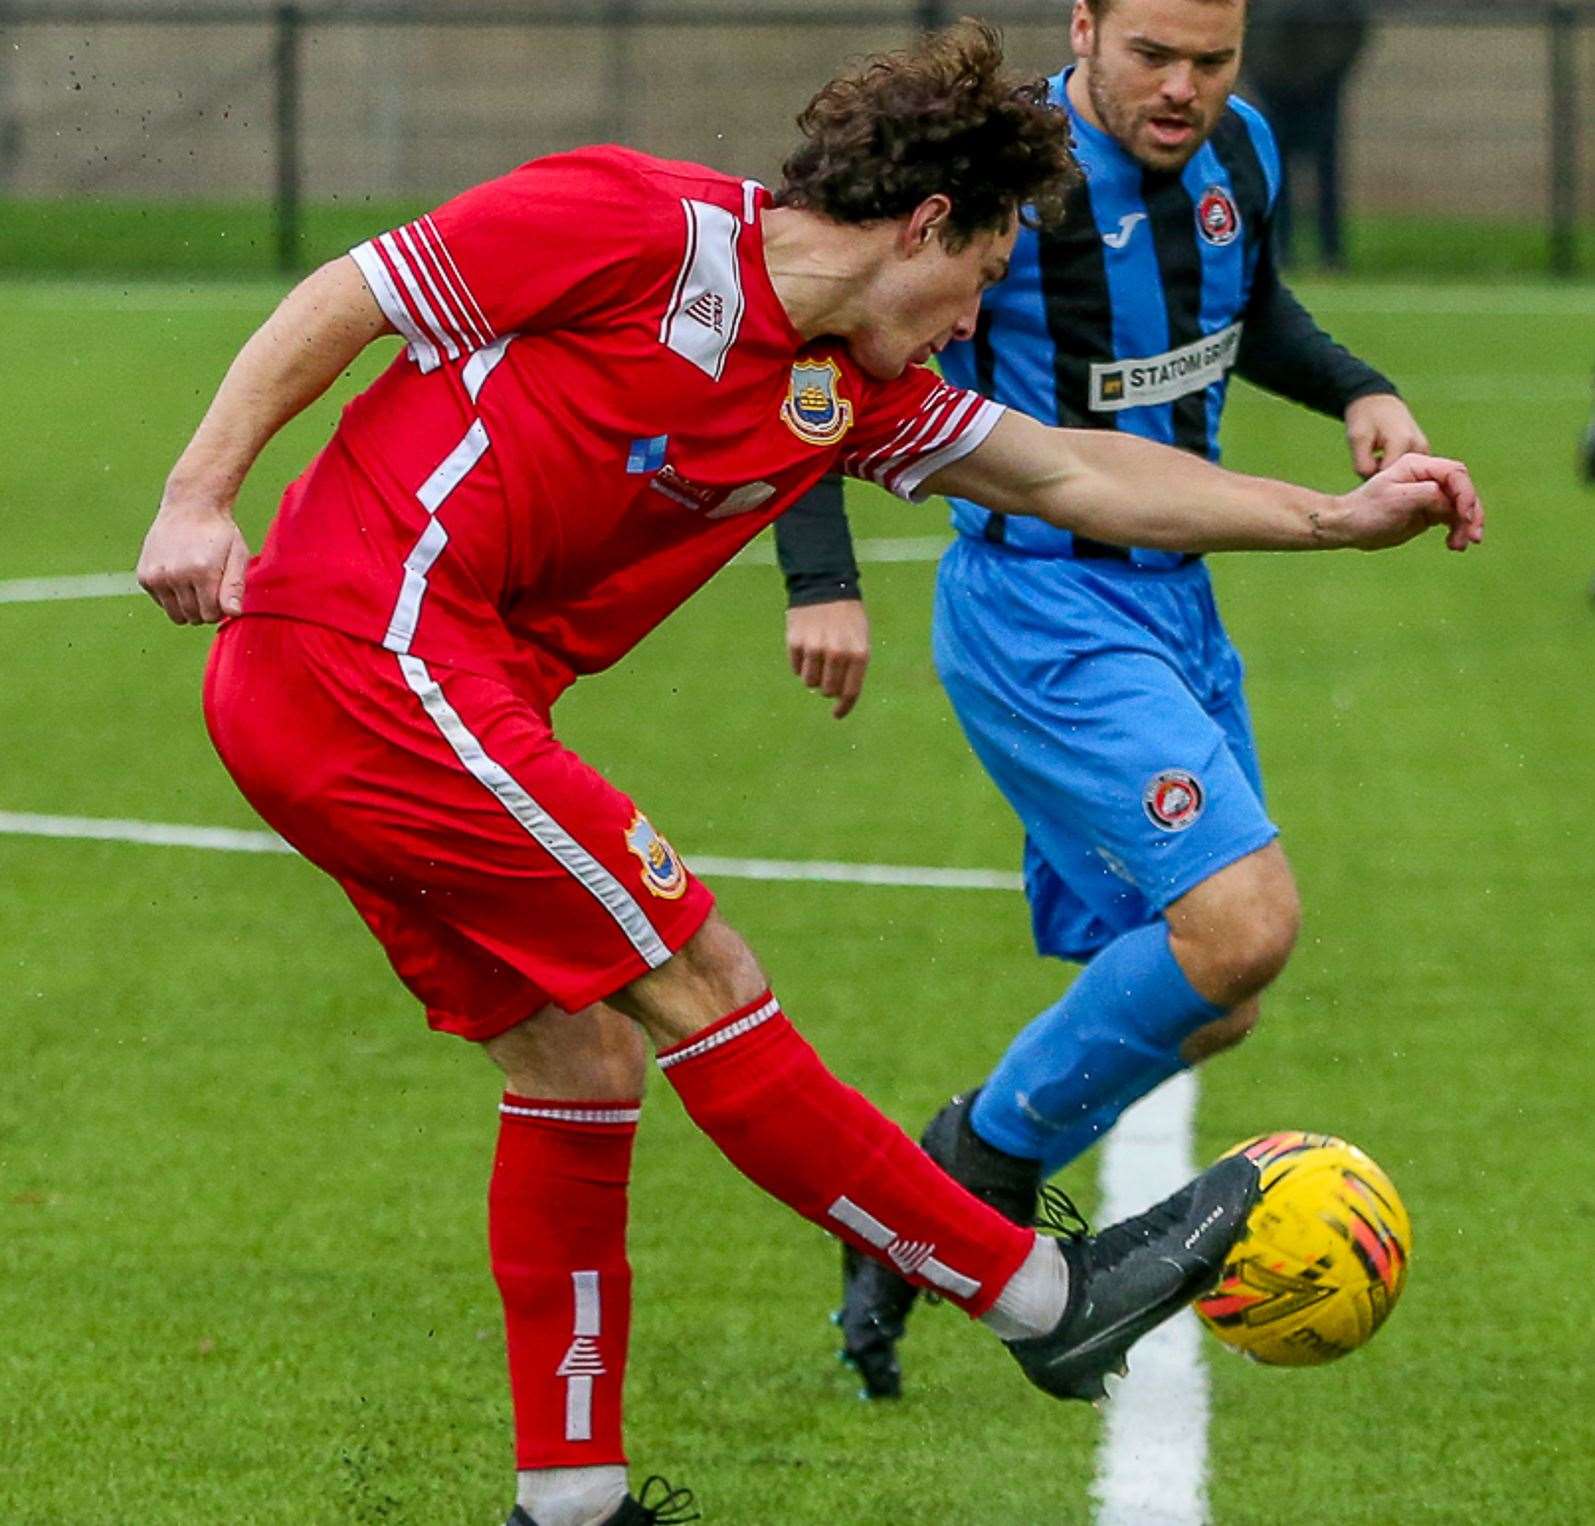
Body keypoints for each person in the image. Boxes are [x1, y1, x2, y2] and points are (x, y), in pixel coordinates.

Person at [136, 21, 1479, 1526]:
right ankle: (1046, 1296)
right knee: (702, 974)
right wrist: (200, 495)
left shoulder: (851, 392)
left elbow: (1069, 470)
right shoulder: (634, 220)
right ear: (923, 229)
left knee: (578, 1060)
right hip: (361, 654)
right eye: (977, 281)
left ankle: (568, 1507)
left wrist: (1325, 519)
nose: (974, 322)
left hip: (381, 696)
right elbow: (352, 292)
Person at [778, 0, 1440, 1402]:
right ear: (1080, 26)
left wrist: (1356, 390)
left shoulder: (1238, 151)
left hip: (1177, 603)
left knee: (1211, 997)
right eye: (1150, 54)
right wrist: (817, 576)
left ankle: (931, 1193)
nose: (1183, 89)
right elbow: (821, 351)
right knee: (1238, 922)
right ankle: (973, 1180)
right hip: (1043, 611)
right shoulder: (999, 168)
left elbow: (1241, 311)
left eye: (1211, 59)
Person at [1241, 0, 1371, 268]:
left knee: (1327, 173)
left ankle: (1331, 253)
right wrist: (1263, 77)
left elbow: (1353, 30)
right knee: (1277, 174)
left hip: (1322, 91)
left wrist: (1327, 75)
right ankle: (1281, 250)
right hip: (1274, 90)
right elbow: (1245, 33)